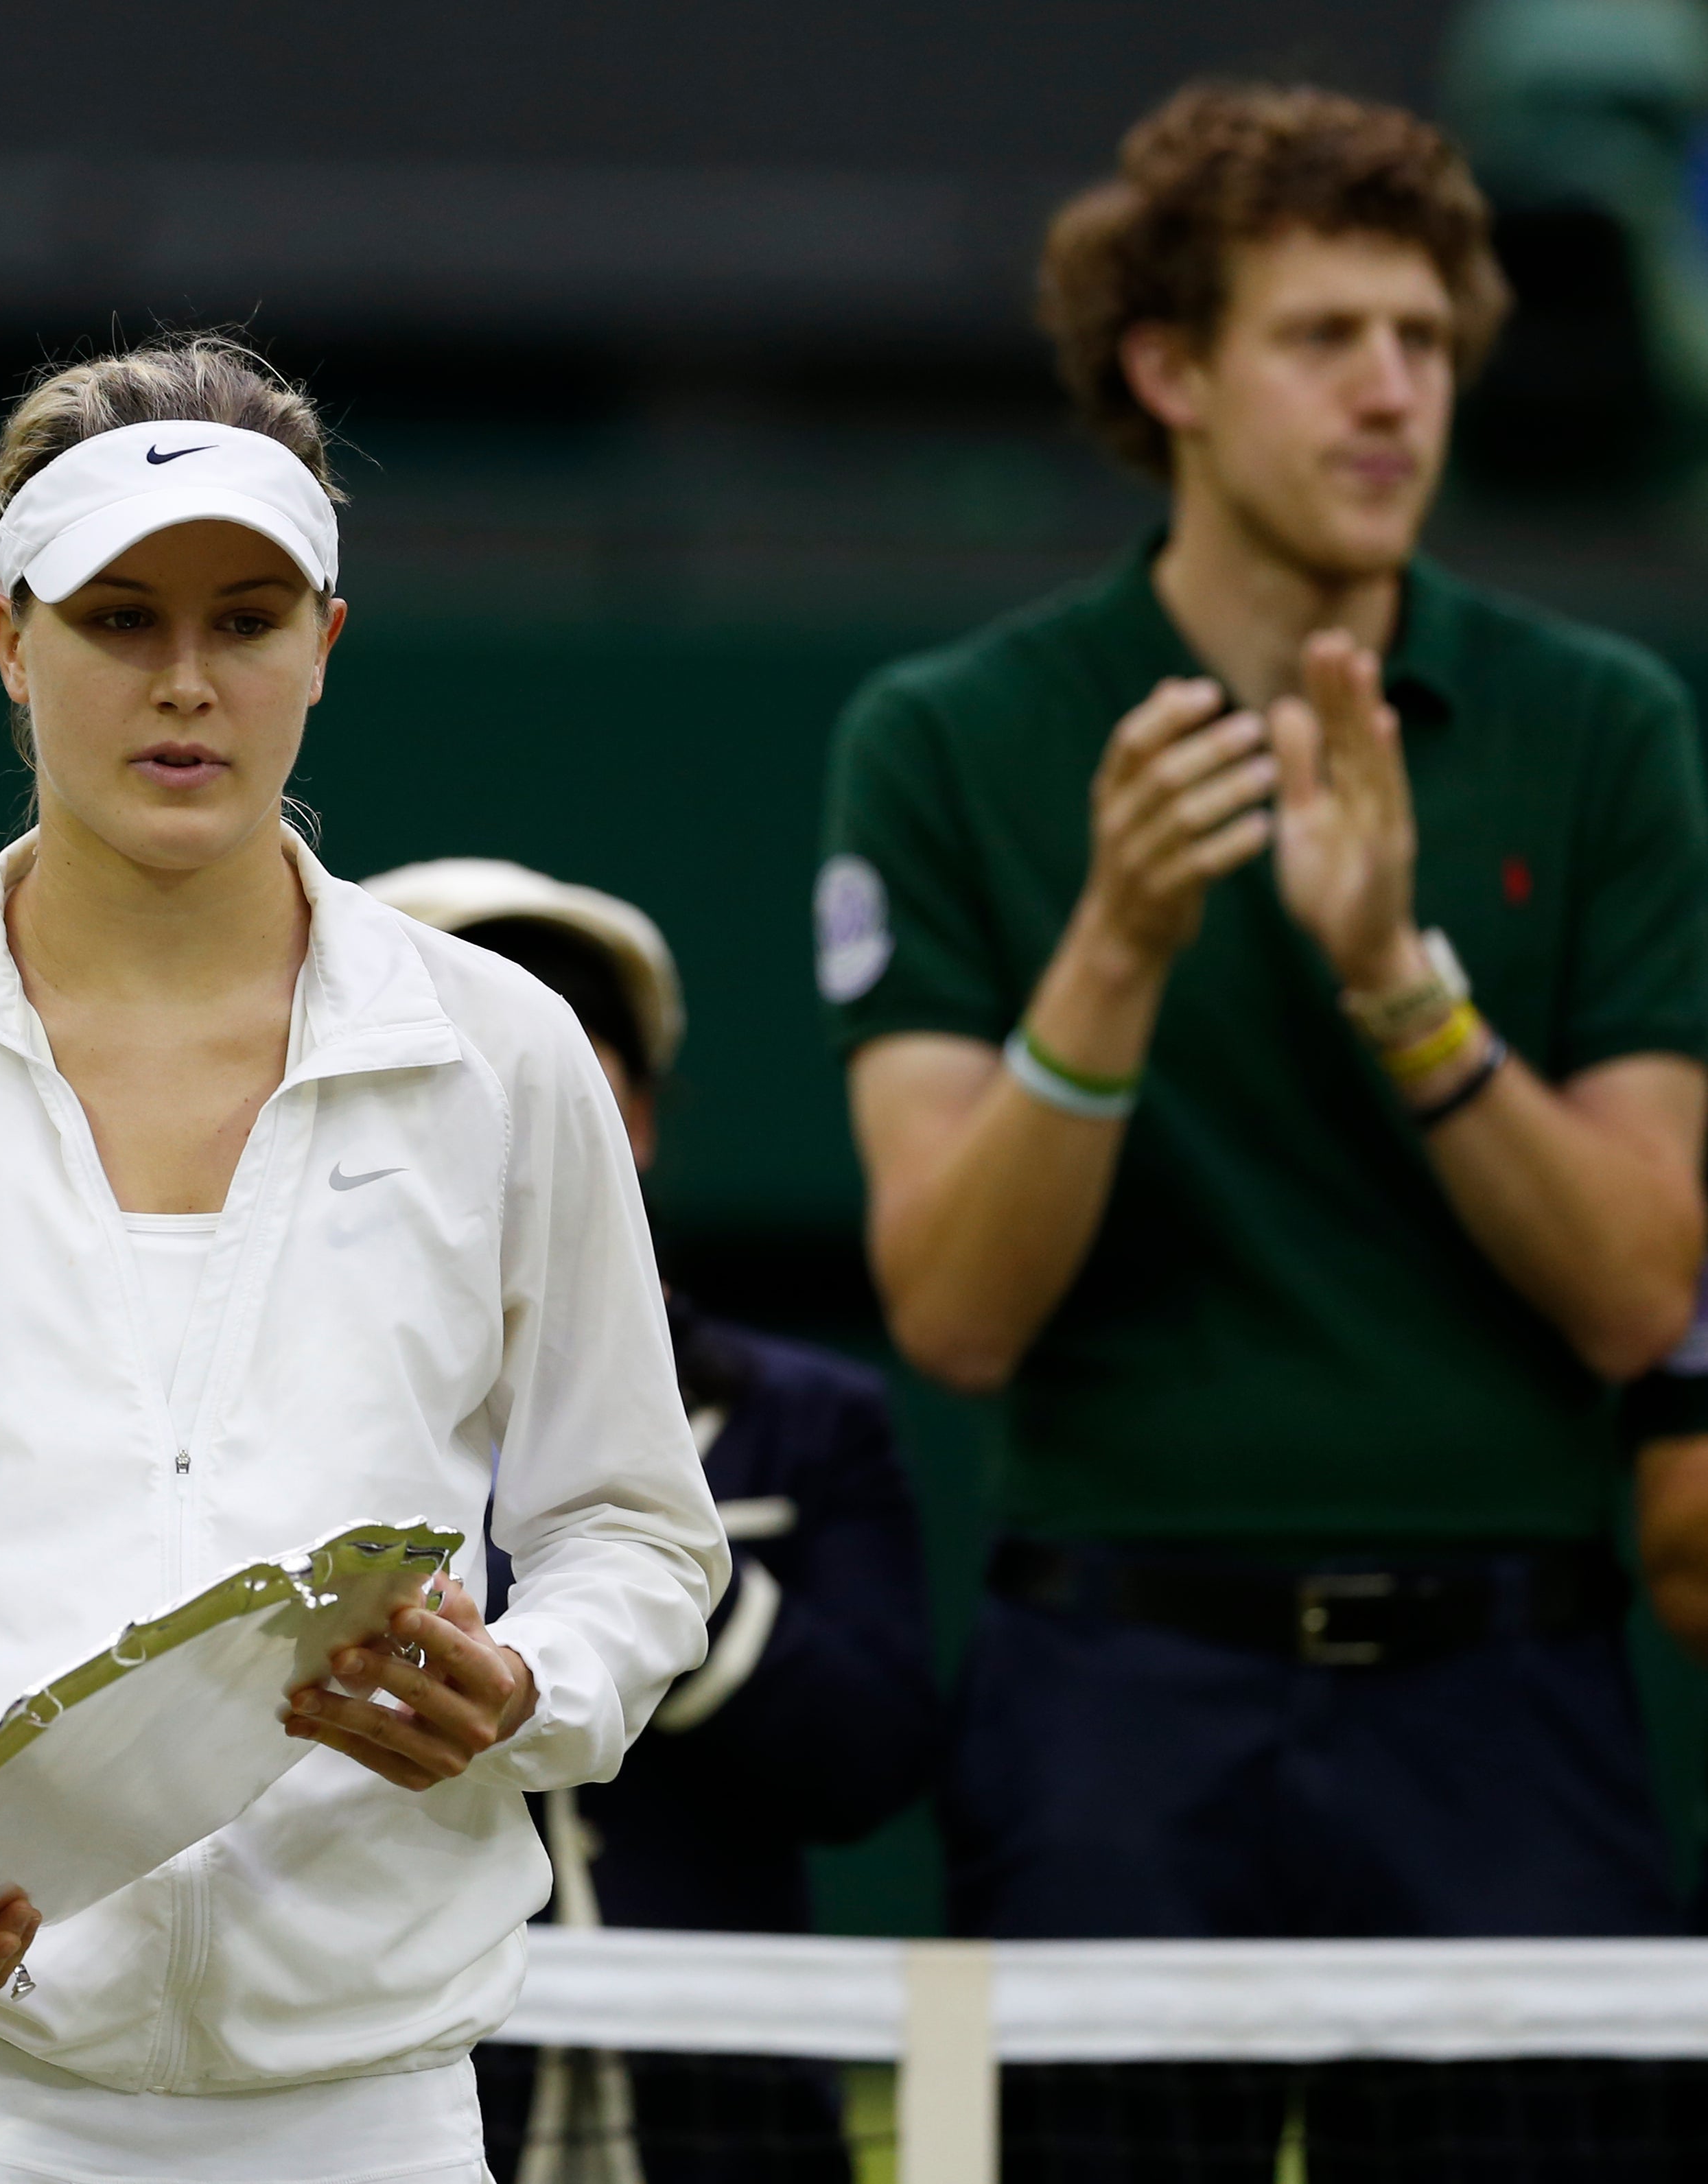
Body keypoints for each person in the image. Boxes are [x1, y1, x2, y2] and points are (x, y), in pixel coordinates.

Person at [0, 335, 725, 2181]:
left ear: (322, 645)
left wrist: (531, 1693)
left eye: (245, 618)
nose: (184, 683)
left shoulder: (502, 1063)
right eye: (117, 620)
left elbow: (634, 1534)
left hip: (366, 2103)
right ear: (10, 640)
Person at [820, 82, 1708, 2174]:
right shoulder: (943, 737)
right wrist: (1110, 955)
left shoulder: (1602, 727)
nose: (1393, 393)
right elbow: (948, 1310)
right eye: (1325, 339)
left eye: (1421, 341)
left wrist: (1401, 985)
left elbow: (1631, 1288)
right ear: (1168, 372)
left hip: (1510, 1696)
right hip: (1104, 1694)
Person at [368, 858, 940, 2184]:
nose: (516, 1090)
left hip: (731, 2121)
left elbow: (865, 1755)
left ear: (630, 1114)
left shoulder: (814, 1422)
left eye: (572, 1051)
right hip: (401, 2102)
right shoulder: (262, 1427)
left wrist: (641, 1558)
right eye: (456, 1052)